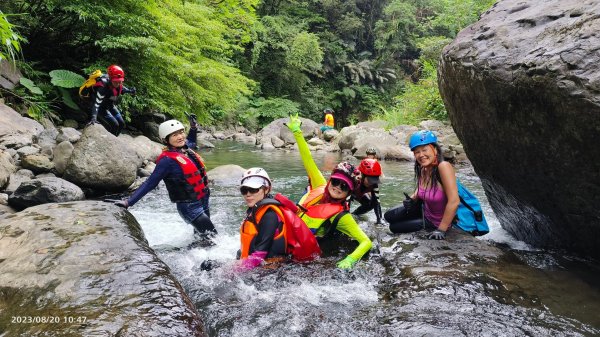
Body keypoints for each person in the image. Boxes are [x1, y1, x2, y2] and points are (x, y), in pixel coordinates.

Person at [286, 114, 372, 269]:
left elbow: (366, 242)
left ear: (348, 193)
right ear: (330, 180)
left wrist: (350, 260)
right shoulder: (319, 183)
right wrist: (297, 132)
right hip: (292, 236)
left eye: (344, 186)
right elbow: (308, 160)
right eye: (336, 182)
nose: (338, 187)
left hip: (310, 251)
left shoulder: (342, 217)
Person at [110, 115, 216, 241]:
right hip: (189, 206)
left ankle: (196, 255)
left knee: (203, 237)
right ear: (166, 139)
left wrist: (193, 128)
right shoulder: (166, 161)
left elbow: (191, 142)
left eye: (181, 133)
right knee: (213, 237)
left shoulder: (184, 150)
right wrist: (129, 202)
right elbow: (150, 183)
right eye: (175, 135)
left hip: (202, 199)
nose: (180, 137)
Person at [384, 130, 459, 240]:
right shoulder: (423, 169)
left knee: (394, 227)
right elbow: (421, 189)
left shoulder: (444, 166)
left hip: (436, 221)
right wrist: (412, 199)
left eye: (424, 150)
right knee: (388, 216)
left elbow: (454, 201)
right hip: (425, 211)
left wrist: (441, 230)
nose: (421, 155)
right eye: (417, 152)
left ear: (435, 150)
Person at [237, 168, 288, 271]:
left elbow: (259, 254)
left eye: (253, 189)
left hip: (269, 270)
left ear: (267, 189)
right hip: (255, 266)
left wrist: (233, 271)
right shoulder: (255, 210)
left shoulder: (269, 216)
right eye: (244, 190)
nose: (248, 194)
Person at [87, 65, 136, 136]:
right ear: (110, 79)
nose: (119, 84)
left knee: (122, 123)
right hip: (101, 108)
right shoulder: (102, 88)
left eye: (120, 81)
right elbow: (96, 104)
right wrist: (94, 118)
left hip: (110, 105)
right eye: (116, 82)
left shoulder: (118, 84)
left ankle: (115, 139)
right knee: (115, 125)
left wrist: (131, 91)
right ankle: (110, 140)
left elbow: (123, 89)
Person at [351, 158, 383, 224]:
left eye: (374, 180)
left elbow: (376, 203)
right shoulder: (353, 180)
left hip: (359, 194)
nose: (371, 183)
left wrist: (379, 220)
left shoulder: (374, 185)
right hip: (350, 193)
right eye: (369, 180)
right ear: (362, 175)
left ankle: (355, 214)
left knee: (371, 203)